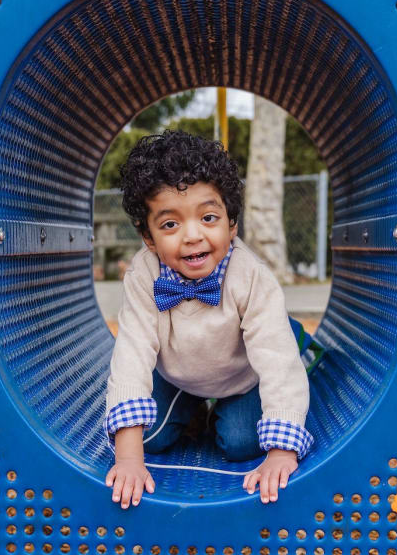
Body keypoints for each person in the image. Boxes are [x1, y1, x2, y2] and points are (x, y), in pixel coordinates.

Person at [103, 130, 312, 509]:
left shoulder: (250, 277)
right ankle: (194, 410)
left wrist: (282, 452)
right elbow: (131, 354)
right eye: (170, 225)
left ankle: (301, 343)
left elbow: (277, 364)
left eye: (209, 217)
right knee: (146, 439)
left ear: (232, 224)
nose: (192, 235)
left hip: (242, 375)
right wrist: (129, 458)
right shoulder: (143, 276)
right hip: (178, 372)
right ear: (148, 238)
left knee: (241, 442)